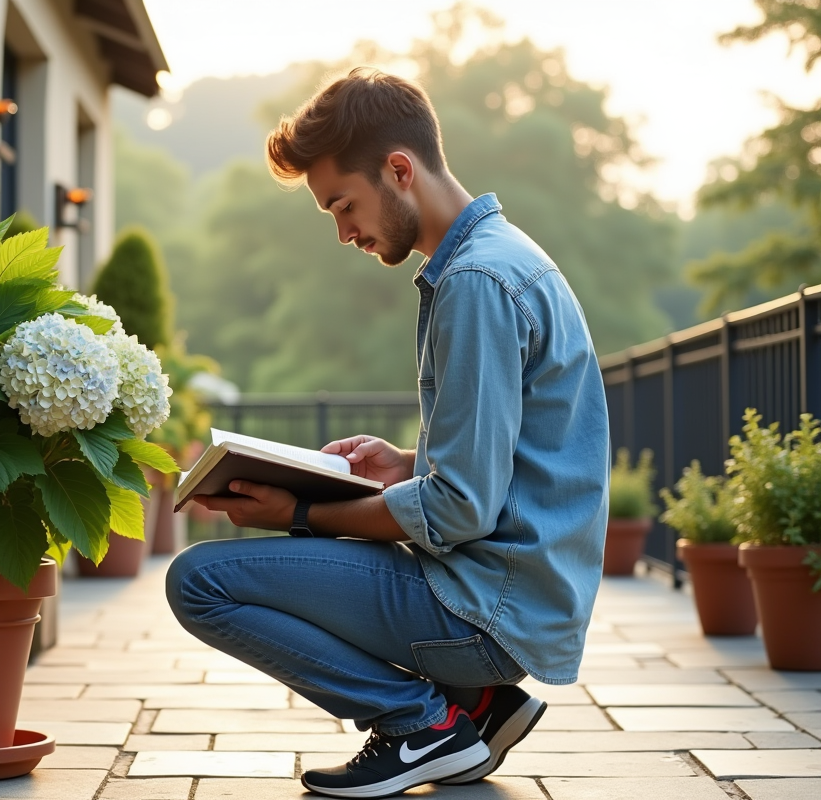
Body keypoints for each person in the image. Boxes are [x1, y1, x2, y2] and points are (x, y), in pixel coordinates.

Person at [164, 67, 610, 799]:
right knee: (265, 557)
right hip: (515, 604)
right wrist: (404, 462)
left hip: (483, 612)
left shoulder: (477, 284)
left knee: (199, 582)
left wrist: (302, 512)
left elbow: (460, 510)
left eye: (344, 203)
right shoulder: (504, 258)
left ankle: (422, 727)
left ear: (399, 170)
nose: (343, 232)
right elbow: (507, 462)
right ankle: (473, 707)